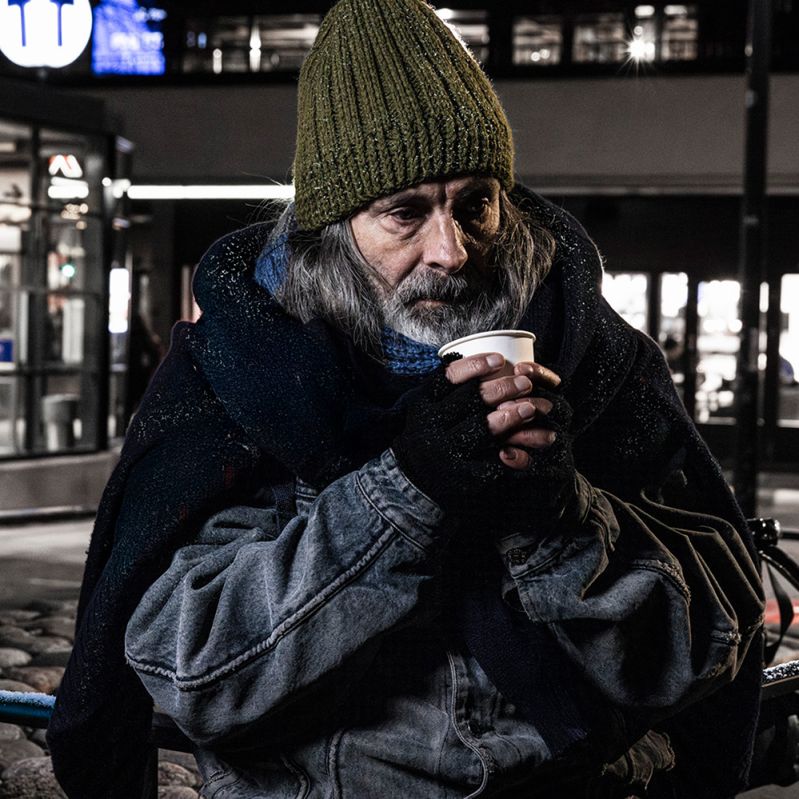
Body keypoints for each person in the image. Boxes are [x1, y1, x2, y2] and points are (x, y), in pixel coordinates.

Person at [47, 1, 765, 797]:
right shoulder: (253, 371)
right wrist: (402, 492)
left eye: (474, 203)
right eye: (405, 211)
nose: (450, 250)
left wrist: (558, 516)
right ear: (335, 230)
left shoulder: (593, 355)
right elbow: (195, 672)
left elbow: (711, 649)